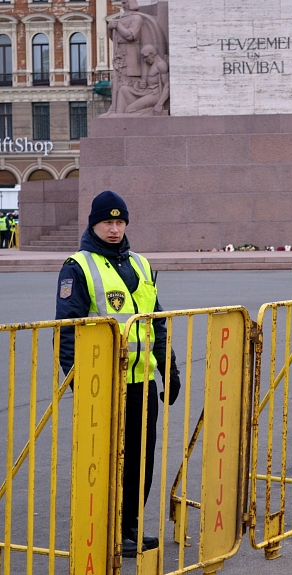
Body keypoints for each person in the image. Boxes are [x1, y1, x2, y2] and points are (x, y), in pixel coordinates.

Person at [55, 191, 181, 558]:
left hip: (140, 382)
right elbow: (67, 330)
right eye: (107, 222)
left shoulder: (140, 264)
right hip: (103, 385)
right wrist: (79, 382)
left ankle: (130, 527)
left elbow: (154, 321)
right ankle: (107, 528)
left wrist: (168, 368)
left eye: (119, 222)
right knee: (110, 461)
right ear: (94, 224)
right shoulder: (77, 266)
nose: (114, 229)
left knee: (140, 461)